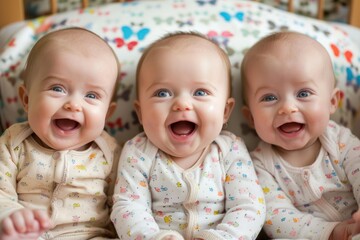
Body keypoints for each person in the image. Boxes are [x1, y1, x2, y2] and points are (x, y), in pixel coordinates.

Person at [111, 31, 266, 240]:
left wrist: (221, 237)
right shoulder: (138, 152)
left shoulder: (230, 150)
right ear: (140, 112)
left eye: (200, 92)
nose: (182, 104)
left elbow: (249, 206)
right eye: (162, 93)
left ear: (225, 111)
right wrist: (155, 237)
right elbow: (128, 207)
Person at [0, 27, 121, 240]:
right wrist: (10, 216)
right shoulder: (13, 141)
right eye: (57, 89)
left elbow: (122, 202)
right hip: (27, 232)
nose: (73, 105)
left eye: (91, 95)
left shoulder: (110, 152)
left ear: (107, 114)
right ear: (27, 99)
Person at [241, 31, 360, 240]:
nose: (287, 108)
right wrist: (333, 232)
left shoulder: (340, 141)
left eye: (303, 94)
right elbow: (276, 219)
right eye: (269, 97)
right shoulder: (258, 166)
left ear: (332, 102)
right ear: (251, 117)